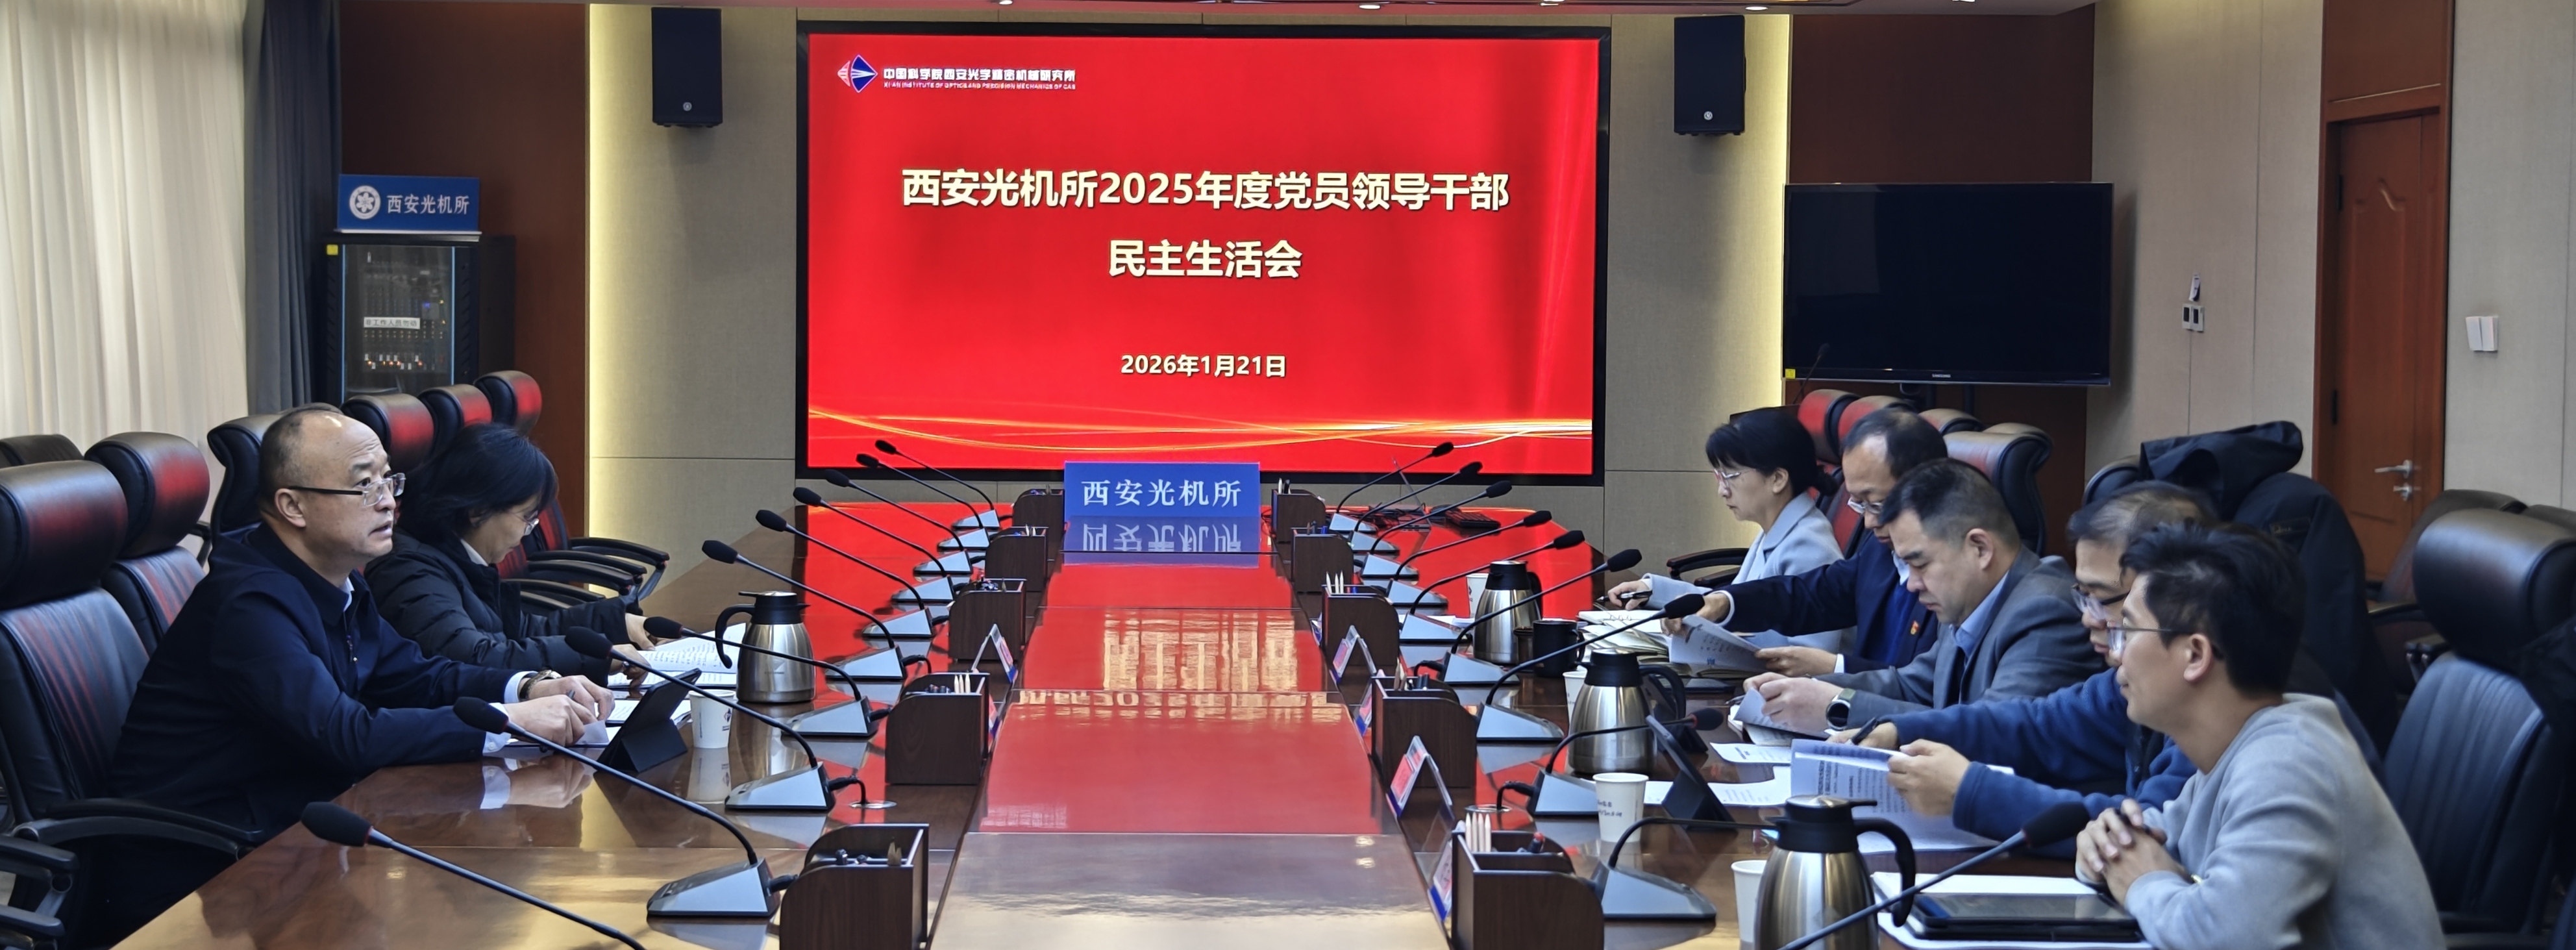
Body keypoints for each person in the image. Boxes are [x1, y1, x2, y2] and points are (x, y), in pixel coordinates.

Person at [93, 406, 608, 942]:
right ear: (293, 506)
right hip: (204, 876)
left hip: (287, 841)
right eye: (364, 485)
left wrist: (527, 686)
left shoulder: (337, 582)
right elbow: (346, 736)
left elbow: (415, 674)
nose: (387, 500)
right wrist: (510, 720)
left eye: (388, 479)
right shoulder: (249, 605)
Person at [2075, 523, 2438, 950]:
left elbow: (2226, 938)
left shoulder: (2288, 764)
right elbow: (2160, 842)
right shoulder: (2239, 743)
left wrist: (2142, 882)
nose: (2116, 652)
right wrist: (2105, 848)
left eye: (2130, 630)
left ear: (2195, 655)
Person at [1841, 483, 2214, 853]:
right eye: (2084, 597)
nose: (2088, 618)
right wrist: (1901, 731)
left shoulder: (2214, 711)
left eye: (2102, 600)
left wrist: (1967, 791)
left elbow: (2151, 833)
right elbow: (2036, 725)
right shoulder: (2125, 685)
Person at [1742, 458, 2098, 733]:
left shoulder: (2045, 612)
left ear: (1979, 548)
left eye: (1920, 564)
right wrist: (1804, 689)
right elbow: (1910, 686)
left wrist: (1839, 705)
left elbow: (1994, 732)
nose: (1912, 584)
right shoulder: (1969, 598)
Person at [1666, 407, 1951, 675]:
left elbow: (1922, 688)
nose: (1868, 522)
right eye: (1859, 505)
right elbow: (1810, 594)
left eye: (1876, 504)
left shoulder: (1953, 580)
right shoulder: (1879, 552)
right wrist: (1726, 602)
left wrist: (1835, 667)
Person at [368, 422, 652, 677]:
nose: (528, 533)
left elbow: (518, 631)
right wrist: (591, 657)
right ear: (478, 510)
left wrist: (616, 623)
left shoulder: (457, 558)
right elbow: (474, 658)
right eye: (527, 518)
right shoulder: (410, 573)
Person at [1605, 406, 1848, 653]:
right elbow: (1731, 601)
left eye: (1731, 475)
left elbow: (1811, 661)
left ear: (1777, 479)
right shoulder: (1778, 528)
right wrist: (1654, 591)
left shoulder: (1808, 547)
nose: (1722, 490)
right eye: (1719, 476)